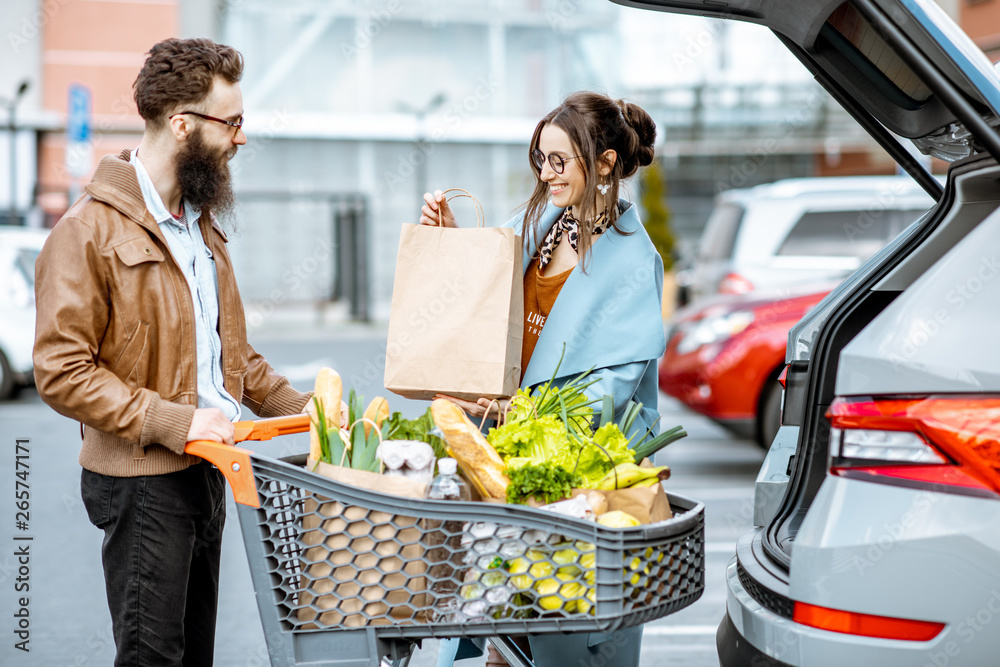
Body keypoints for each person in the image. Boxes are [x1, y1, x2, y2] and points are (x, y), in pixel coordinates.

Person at [33, 38, 312, 667]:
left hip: (207, 471)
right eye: (232, 122)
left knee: (194, 658)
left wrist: (306, 408)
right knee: (152, 659)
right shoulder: (87, 231)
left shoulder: (198, 226)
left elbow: (227, 354)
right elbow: (61, 371)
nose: (241, 138)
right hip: (141, 483)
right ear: (182, 123)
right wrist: (177, 421)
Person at [420, 91, 665, 666]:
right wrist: (454, 236)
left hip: (577, 477)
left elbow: (615, 385)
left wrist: (523, 412)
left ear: (604, 162)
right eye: (541, 159)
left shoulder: (634, 260)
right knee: (503, 629)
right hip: (509, 463)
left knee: (564, 632)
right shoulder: (538, 224)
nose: (545, 173)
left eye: (560, 161)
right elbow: (483, 297)